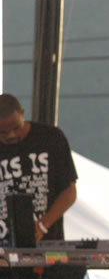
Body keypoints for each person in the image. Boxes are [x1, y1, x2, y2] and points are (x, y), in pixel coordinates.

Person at [0, 93, 78, 245]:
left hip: (47, 246)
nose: (11, 135)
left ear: (22, 114)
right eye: (2, 132)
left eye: (16, 128)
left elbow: (69, 191)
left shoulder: (50, 138)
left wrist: (43, 225)